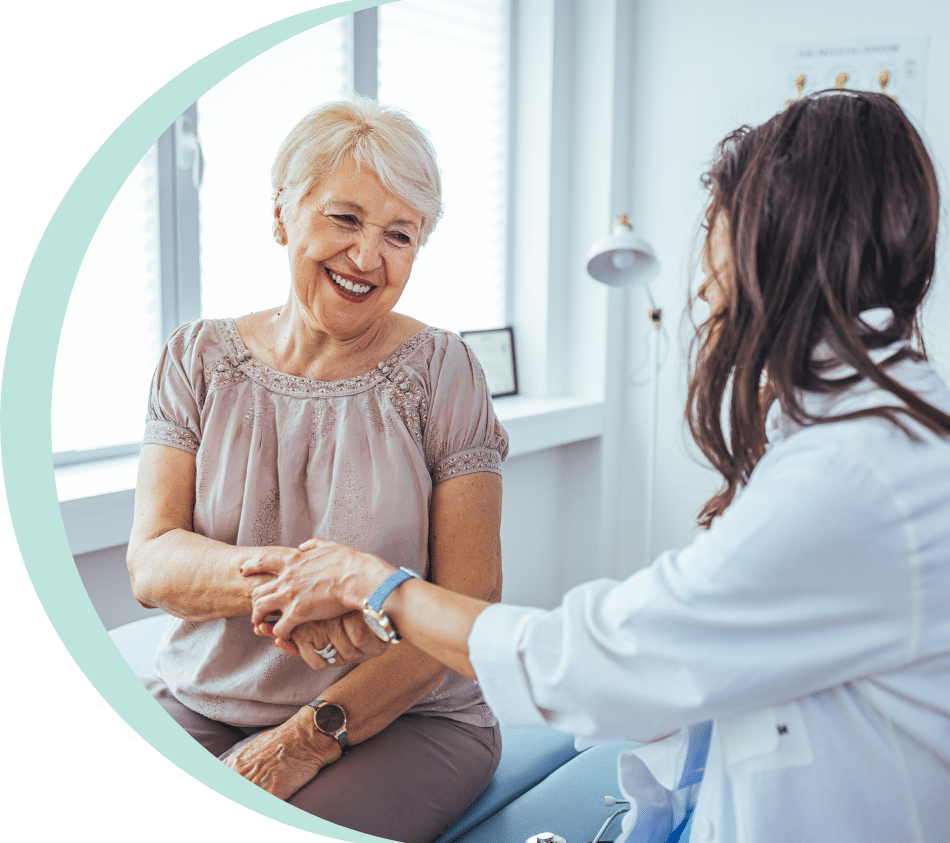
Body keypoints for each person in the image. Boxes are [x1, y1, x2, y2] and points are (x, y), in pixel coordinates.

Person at [244, 90, 950, 842]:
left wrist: (372, 584)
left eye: (718, 226)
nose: (703, 283)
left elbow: (594, 659)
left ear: (780, 238)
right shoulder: (856, 434)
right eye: (344, 218)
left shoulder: (853, 478)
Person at [127, 98, 508, 842]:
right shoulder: (196, 359)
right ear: (281, 216)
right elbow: (153, 563)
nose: (368, 256)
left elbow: (472, 595)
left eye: (400, 235)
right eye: (344, 219)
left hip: (407, 711)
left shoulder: (444, 370)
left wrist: (304, 737)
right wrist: (307, 580)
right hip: (204, 697)